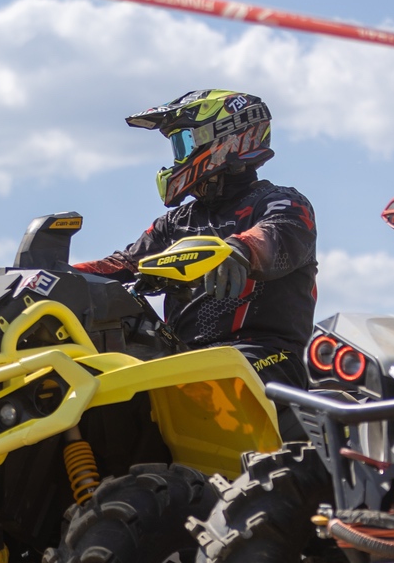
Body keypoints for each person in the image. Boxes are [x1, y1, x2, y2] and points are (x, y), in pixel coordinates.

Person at [73, 90, 317, 390]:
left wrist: (239, 248)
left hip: (266, 356)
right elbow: (121, 265)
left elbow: (277, 234)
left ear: (226, 138)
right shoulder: (175, 222)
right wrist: (56, 275)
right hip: (184, 356)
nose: (178, 157)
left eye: (183, 143)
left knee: (201, 378)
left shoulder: (280, 202)